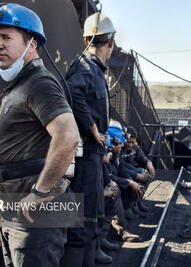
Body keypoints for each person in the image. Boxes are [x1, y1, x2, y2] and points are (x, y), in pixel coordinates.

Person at [0, 3, 79, 267]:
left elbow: (68, 137)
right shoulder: (20, 83)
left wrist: (40, 192)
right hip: (15, 209)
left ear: (31, 45)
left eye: (6, 37)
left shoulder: (40, 83)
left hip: (35, 216)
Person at [61, 12, 116, 267]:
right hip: (84, 152)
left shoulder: (93, 69)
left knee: (93, 207)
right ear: (111, 42)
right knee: (82, 214)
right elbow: (74, 93)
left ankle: (92, 255)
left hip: (94, 151)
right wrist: (93, 128)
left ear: (86, 40)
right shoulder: (85, 67)